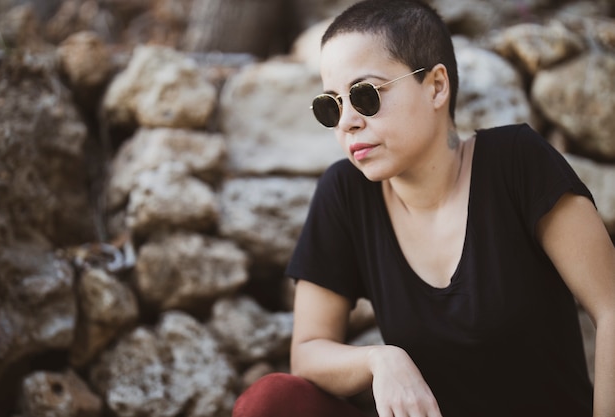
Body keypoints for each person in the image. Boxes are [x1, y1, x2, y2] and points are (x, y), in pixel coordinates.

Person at [232, 0, 615, 416]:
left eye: (364, 95)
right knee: (271, 402)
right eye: (332, 104)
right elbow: (307, 353)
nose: (347, 122)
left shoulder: (516, 164)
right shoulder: (345, 192)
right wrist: (380, 360)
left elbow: (611, 307)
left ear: (436, 86)